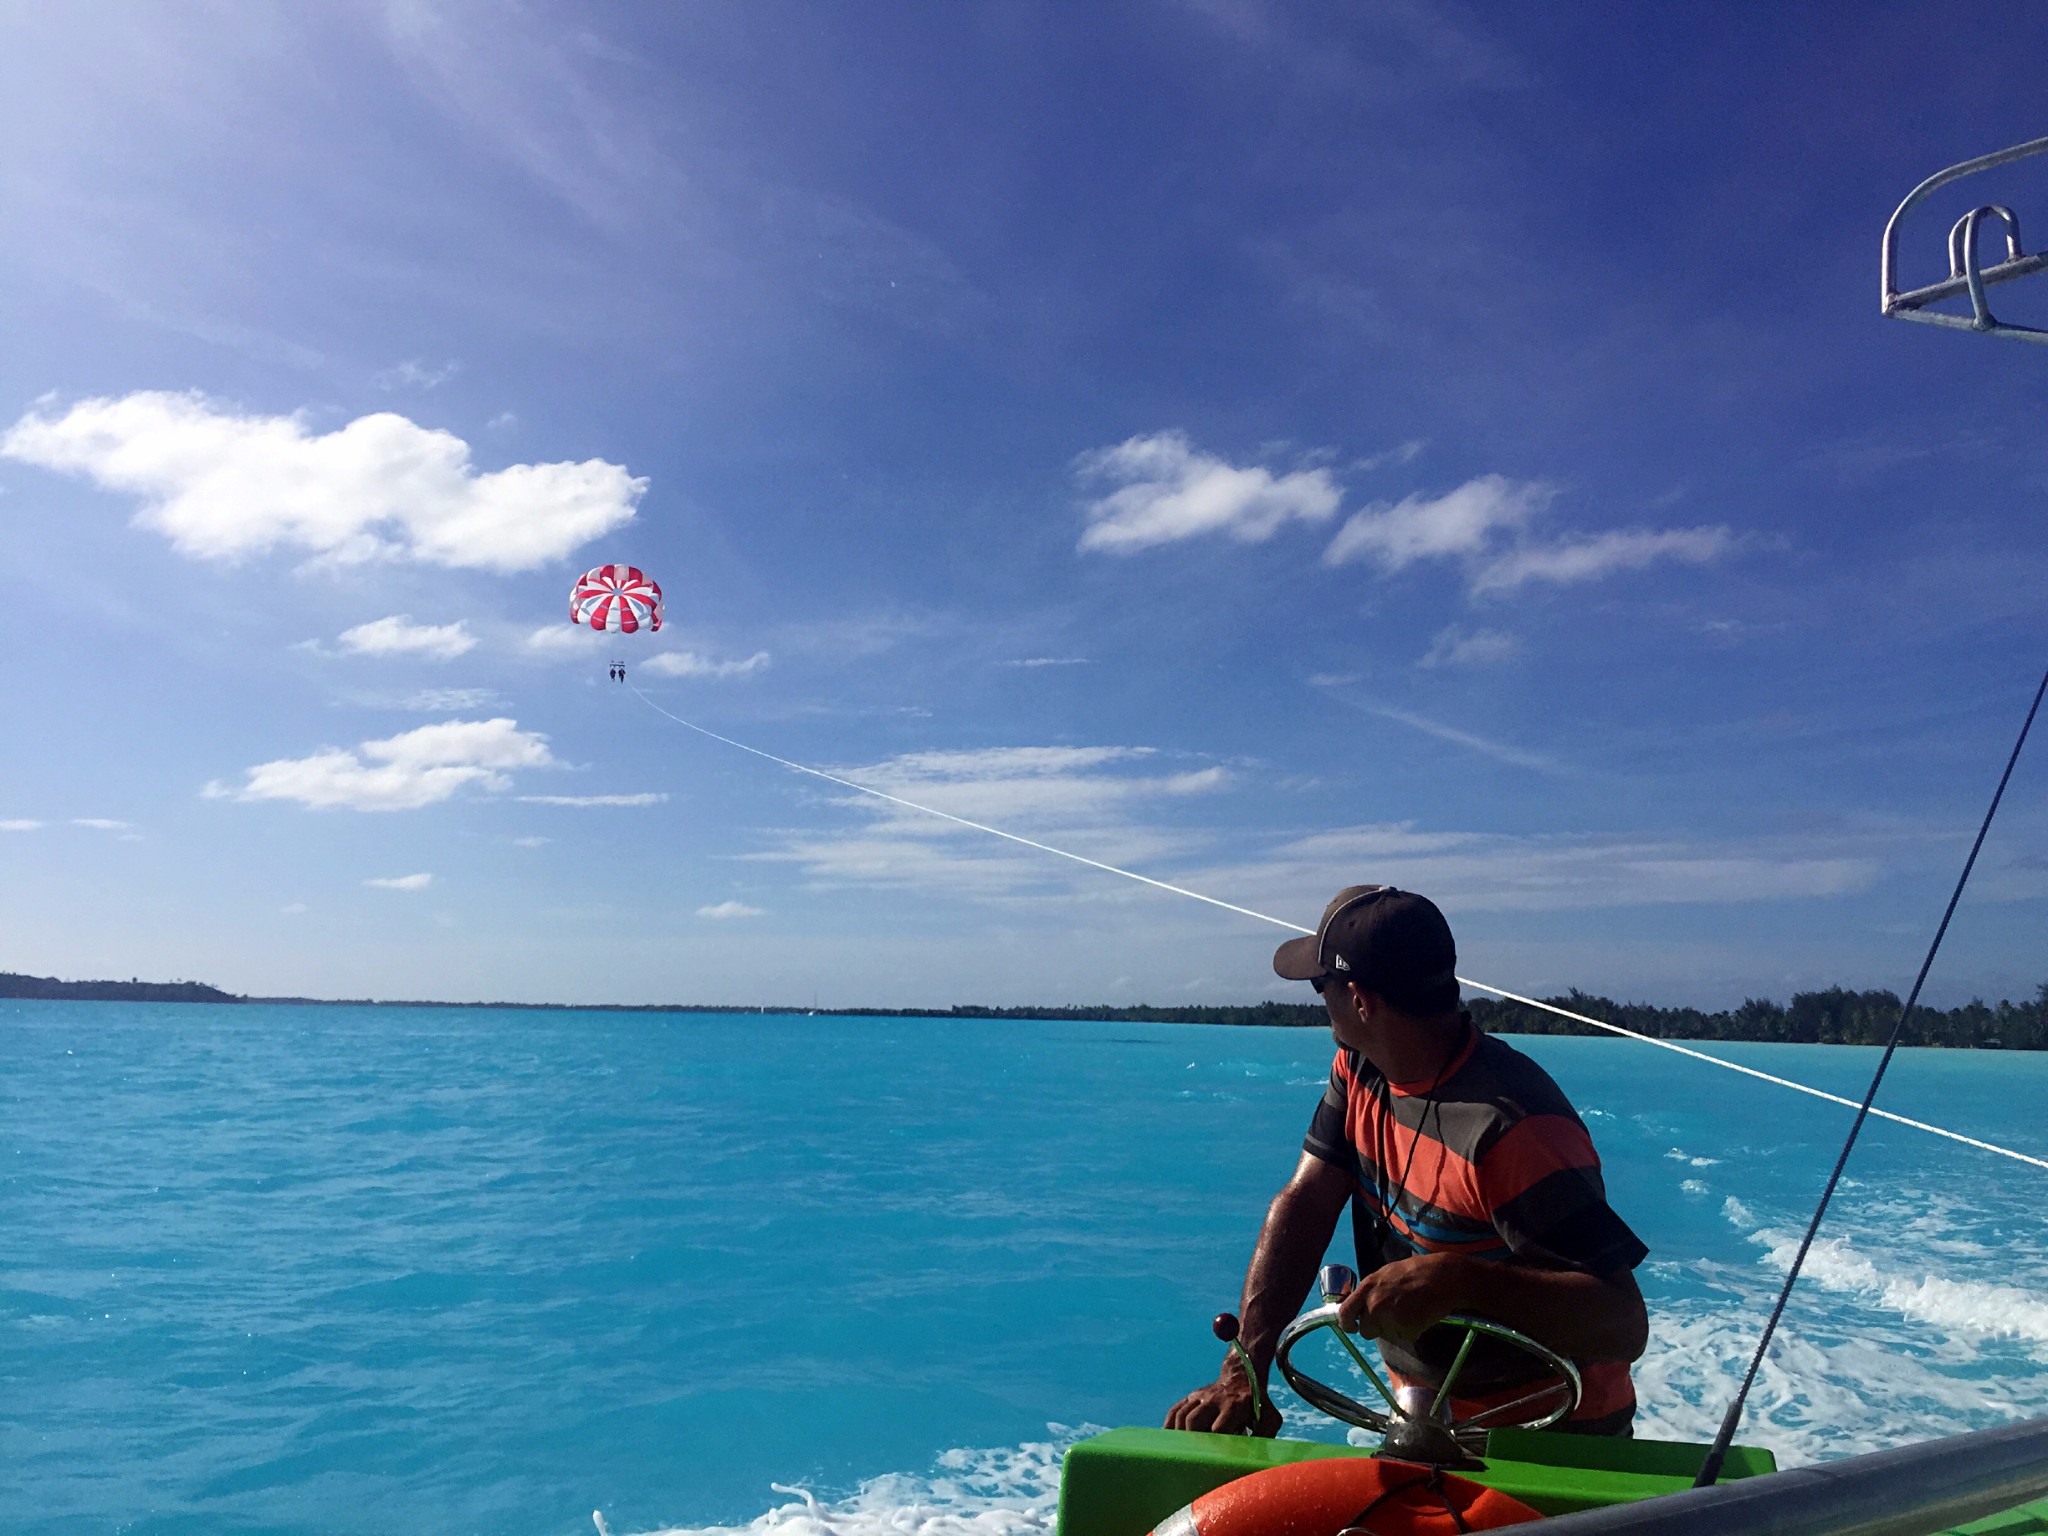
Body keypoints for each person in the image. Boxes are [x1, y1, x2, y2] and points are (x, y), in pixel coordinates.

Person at [1165, 885, 1649, 1439]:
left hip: (1558, 1437)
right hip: (1423, 1421)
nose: (1319, 1002)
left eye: (1322, 986)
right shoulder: (1360, 1069)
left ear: (1360, 1000)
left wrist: (1459, 1281)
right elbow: (1307, 1202)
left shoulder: (1513, 1130)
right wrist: (1244, 1368)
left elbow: (1622, 1322)